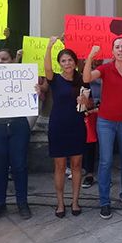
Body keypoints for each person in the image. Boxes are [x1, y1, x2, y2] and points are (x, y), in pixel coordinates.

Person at [84, 39, 122, 219]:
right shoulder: (105, 69)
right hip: (105, 122)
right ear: (112, 51)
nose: (120, 50)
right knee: (106, 161)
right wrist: (90, 57)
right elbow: (86, 78)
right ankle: (104, 201)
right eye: (117, 47)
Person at [0, 49, 32, 221]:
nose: (1, 62)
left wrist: (36, 88)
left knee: (19, 166)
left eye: (5, 59)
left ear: (13, 60)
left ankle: (22, 202)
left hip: (18, 126)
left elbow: (37, 93)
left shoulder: (22, 77)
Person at [44, 37, 88, 218]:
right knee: (60, 166)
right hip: (58, 127)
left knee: (77, 165)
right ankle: (60, 202)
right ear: (59, 64)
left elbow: (87, 106)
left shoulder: (82, 80)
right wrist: (50, 46)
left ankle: (75, 201)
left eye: (70, 60)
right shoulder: (54, 79)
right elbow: (46, 67)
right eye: (63, 60)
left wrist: (84, 101)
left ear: (75, 62)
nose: (67, 63)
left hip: (76, 126)